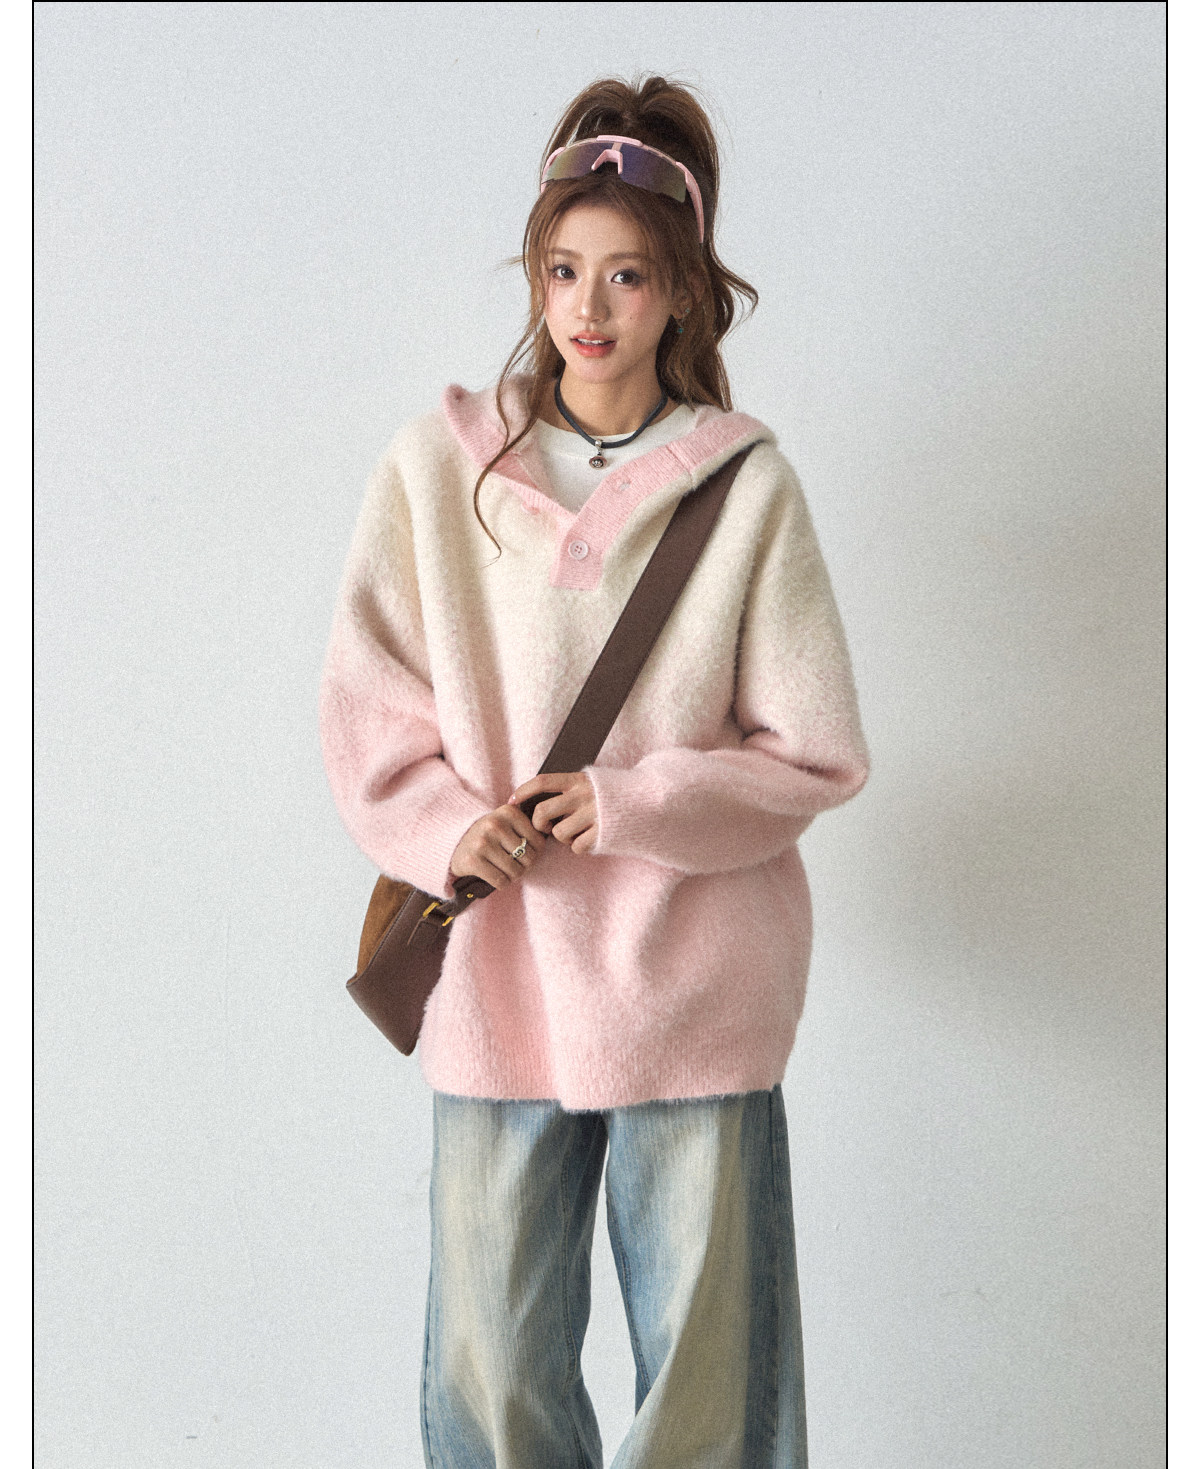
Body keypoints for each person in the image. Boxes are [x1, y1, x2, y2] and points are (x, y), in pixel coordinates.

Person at [319, 73, 869, 1469]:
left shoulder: (744, 488)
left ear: (681, 292)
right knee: (489, 1371)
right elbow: (370, 707)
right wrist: (447, 830)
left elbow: (814, 752)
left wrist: (632, 804)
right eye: (563, 269)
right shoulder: (436, 472)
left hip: (695, 980)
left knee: (705, 1382)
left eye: (627, 275)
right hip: (500, 975)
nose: (589, 307)